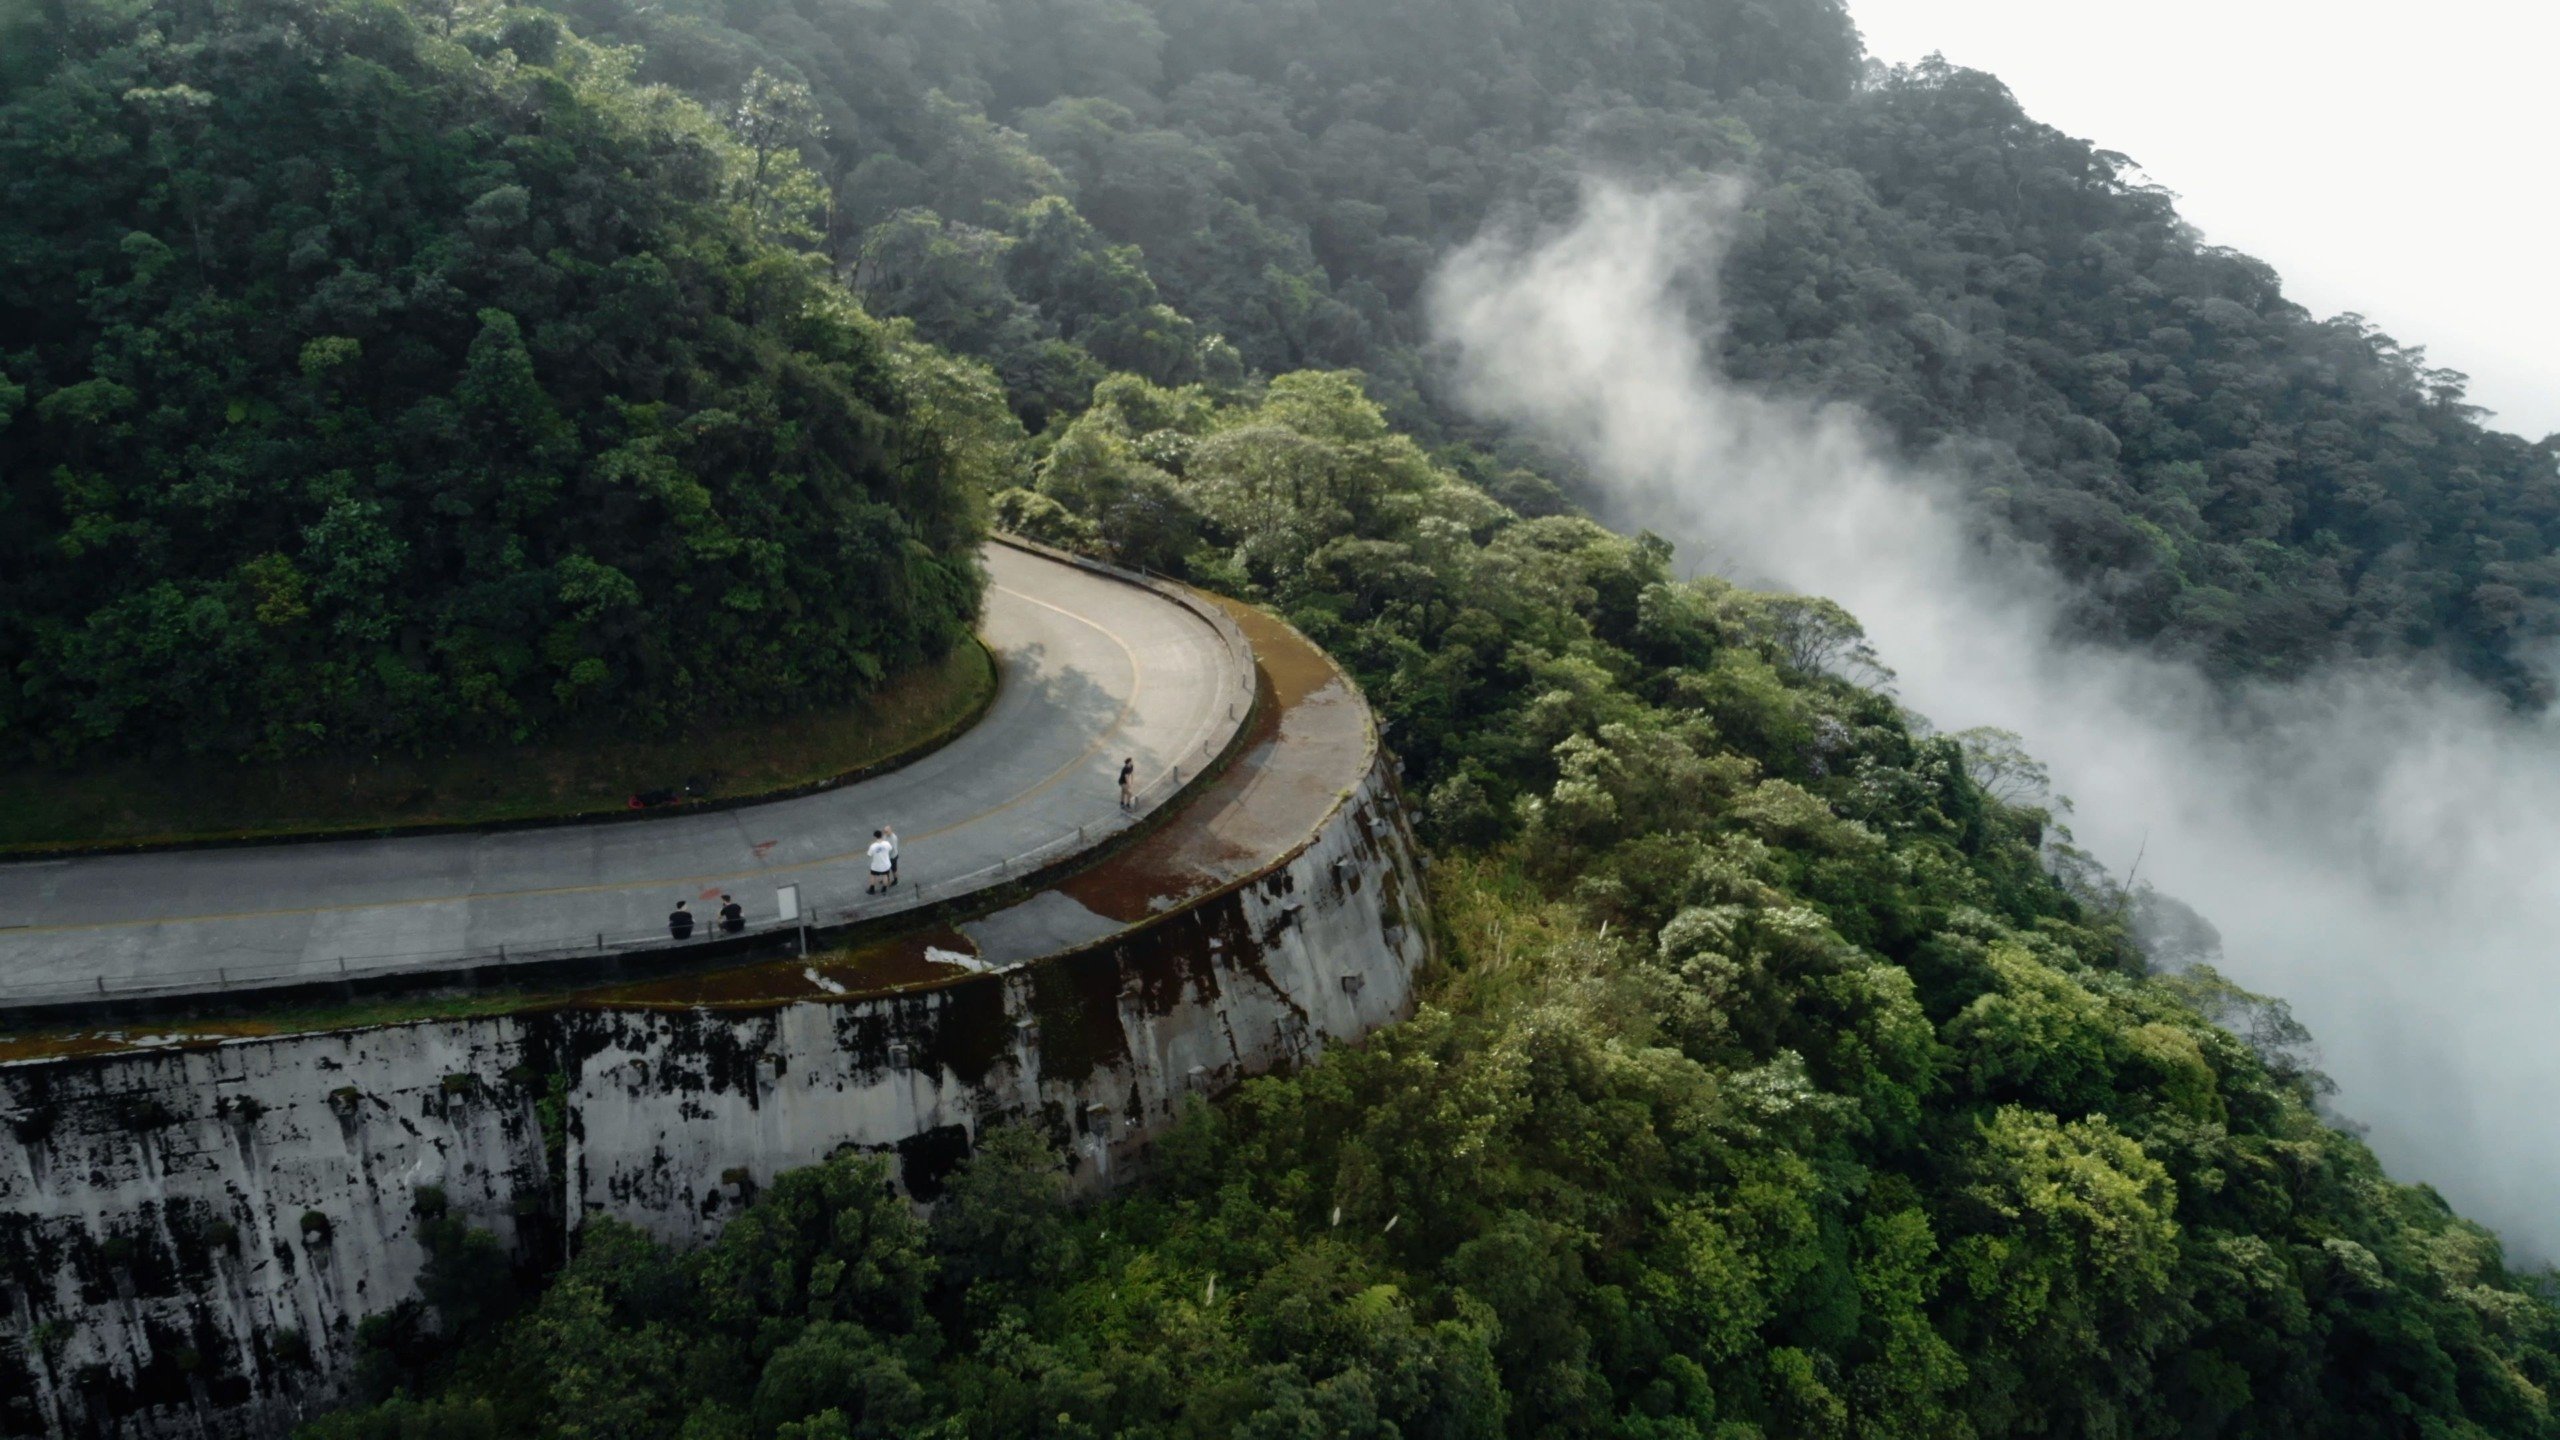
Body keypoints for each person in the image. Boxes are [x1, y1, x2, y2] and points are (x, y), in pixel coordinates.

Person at [866, 829, 895, 894]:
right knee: (885, 875)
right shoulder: (886, 843)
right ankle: (884, 888)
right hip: (886, 864)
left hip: (876, 865)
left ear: (875, 837)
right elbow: (890, 849)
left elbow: (869, 854)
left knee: (873, 875)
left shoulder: (873, 846)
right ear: (881, 835)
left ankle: (872, 889)